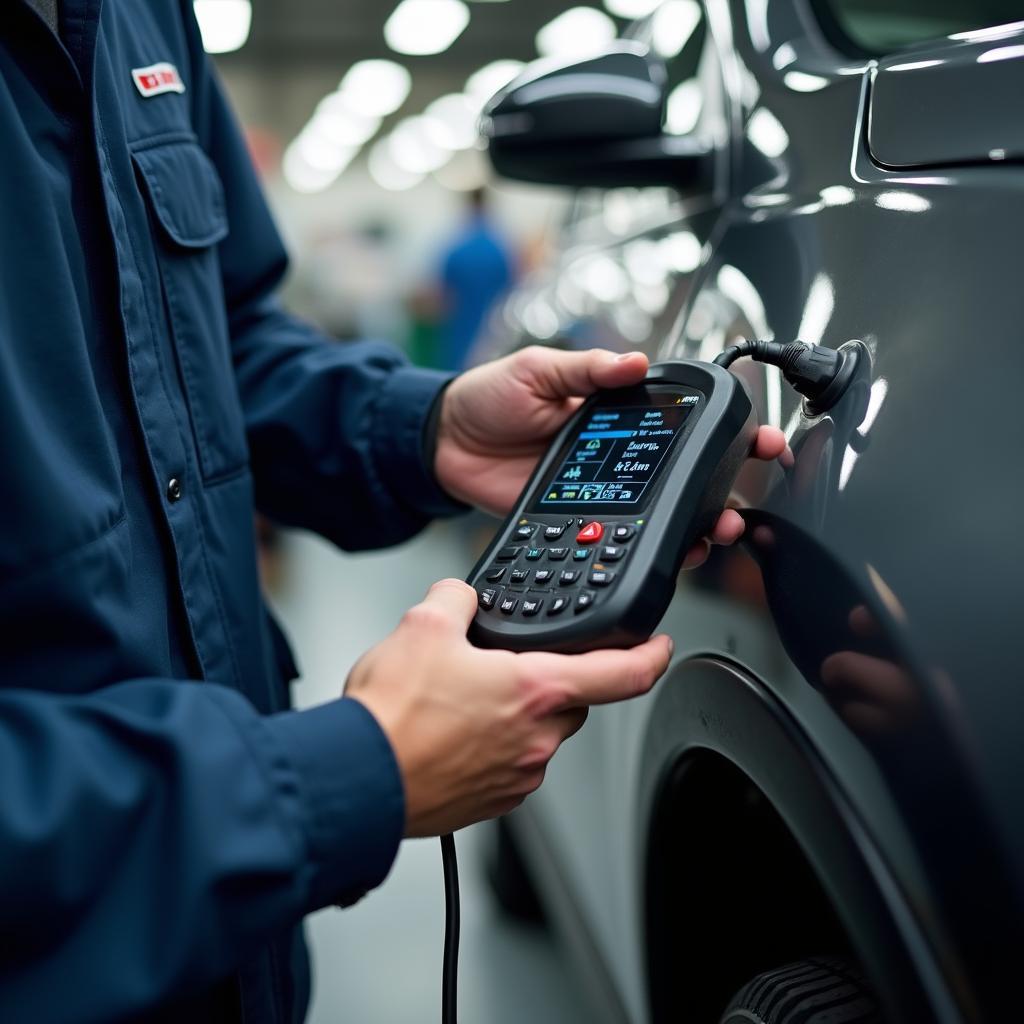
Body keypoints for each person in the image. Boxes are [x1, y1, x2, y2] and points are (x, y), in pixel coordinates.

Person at [0, 2, 787, 1022]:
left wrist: (424, 425)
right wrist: (336, 776)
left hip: (235, 947)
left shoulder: (138, 19)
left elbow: (218, 338)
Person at [436, 188, 515, 370]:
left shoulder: (457, 248)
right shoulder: (500, 248)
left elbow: (443, 297)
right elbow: (512, 290)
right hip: (495, 330)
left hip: (461, 329)